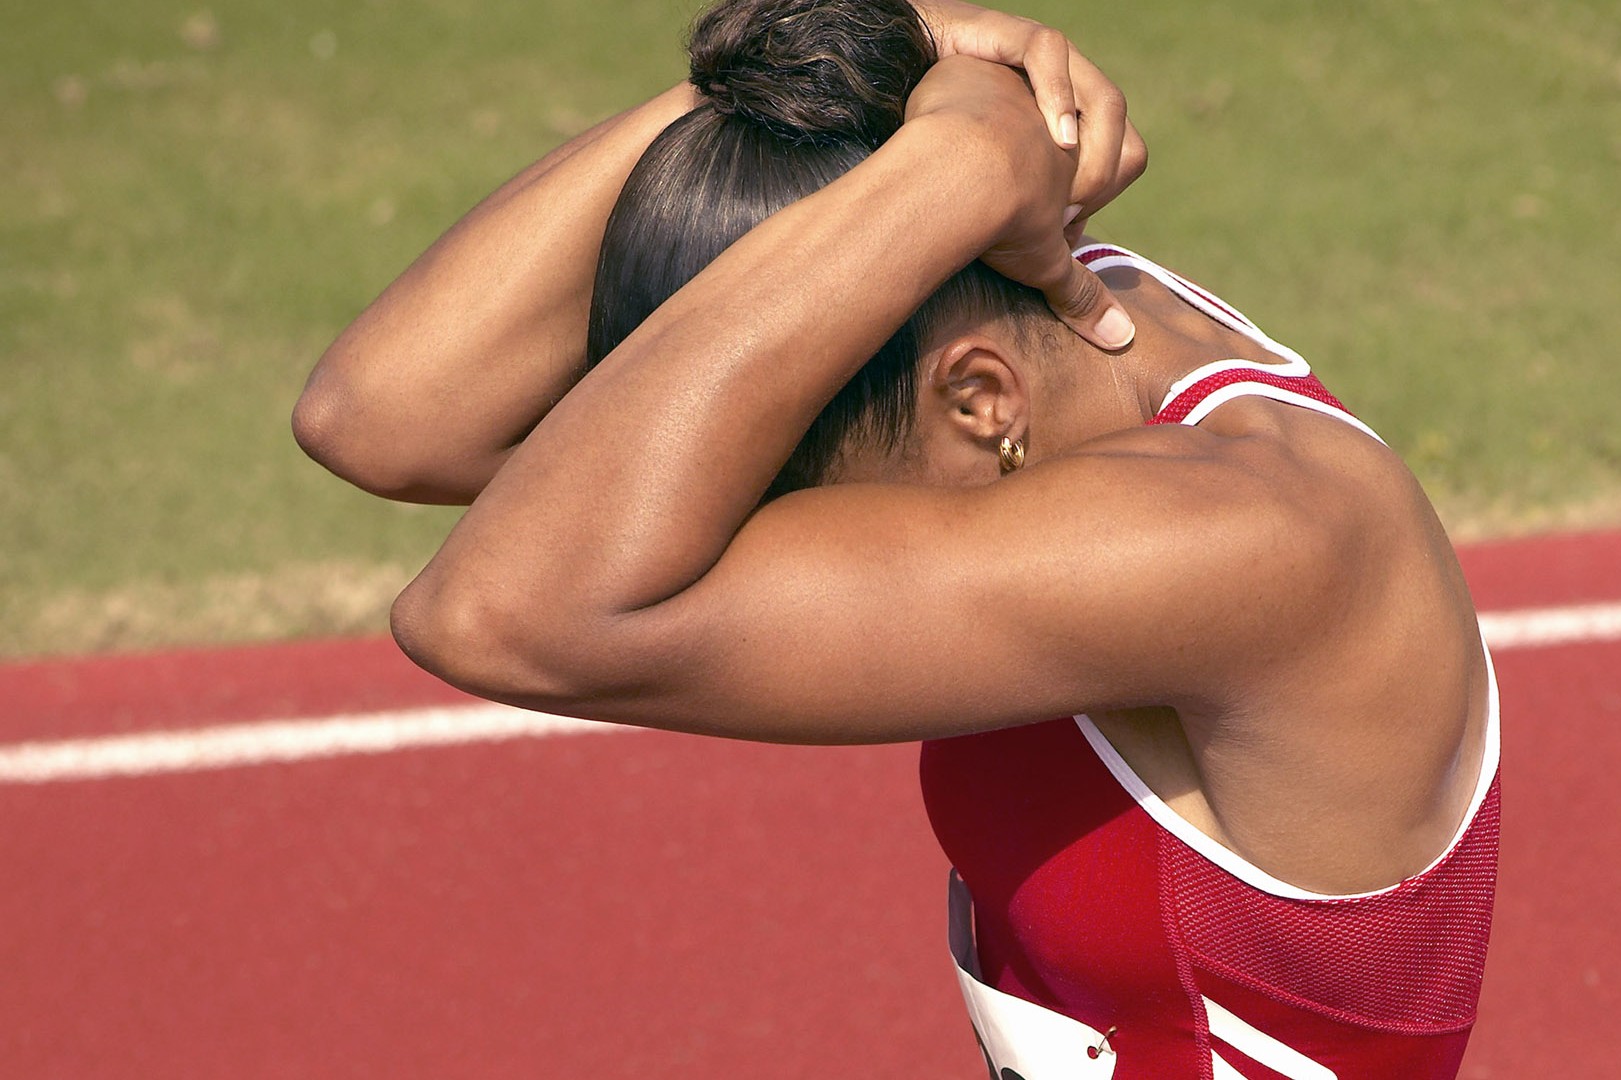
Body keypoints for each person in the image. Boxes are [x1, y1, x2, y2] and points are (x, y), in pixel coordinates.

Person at [294, 1, 1499, 1076]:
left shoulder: (1242, 539)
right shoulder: (1048, 318)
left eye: (790, 500)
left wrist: (962, 158)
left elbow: (497, 614)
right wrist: (820, 59)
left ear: (980, 402)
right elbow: (385, 422)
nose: (750, 538)